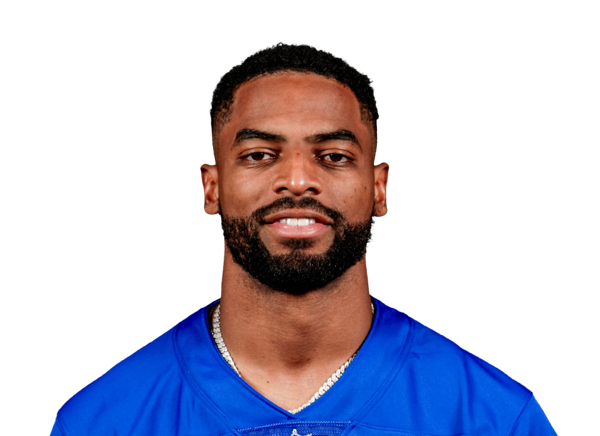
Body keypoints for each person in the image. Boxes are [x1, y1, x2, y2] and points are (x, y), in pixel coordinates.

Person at [50, 43, 557, 436]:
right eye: (259, 155)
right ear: (211, 187)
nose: (296, 180)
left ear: (379, 187)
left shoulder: (494, 418)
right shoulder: (99, 422)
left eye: (333, 156)